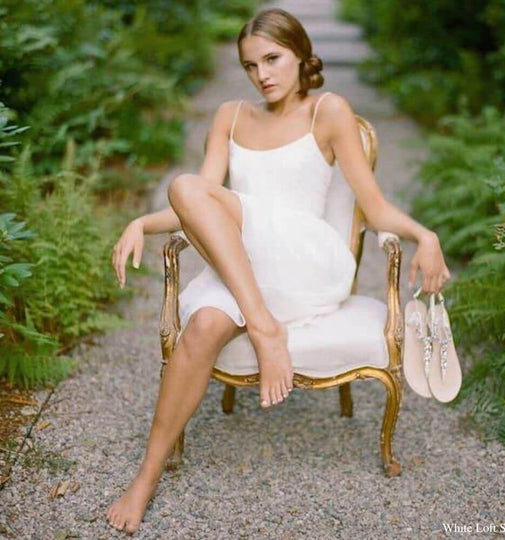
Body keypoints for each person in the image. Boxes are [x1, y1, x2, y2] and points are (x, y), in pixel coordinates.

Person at [106, 7, 451, 533]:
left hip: (307, 260)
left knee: (183, 185)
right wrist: (140, 223)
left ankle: (265, 329)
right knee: (202, 326)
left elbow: (375, 207)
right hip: (246, 265)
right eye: (250, 65)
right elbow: (198, 201)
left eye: (272, 59)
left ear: (301, 55)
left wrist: (425, 235)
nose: (261, 74)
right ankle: (146, 476)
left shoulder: (328, 111)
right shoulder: (230, 116)